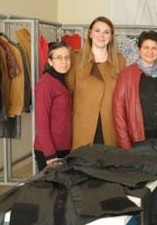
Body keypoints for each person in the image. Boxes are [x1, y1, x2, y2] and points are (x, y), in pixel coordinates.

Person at [113, 30, 157, 225]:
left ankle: (154, 219)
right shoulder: (127, 74)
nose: (150, 51)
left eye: (154, 48)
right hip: (138, 141)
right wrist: (125, 143)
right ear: (139, 49)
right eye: (146, 47)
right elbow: (118, 110)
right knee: (141, 184)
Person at [66, 16, 126, 149]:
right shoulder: (75, 60)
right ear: (90, 34)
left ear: (111, 37)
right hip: (83, 128)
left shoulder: (120, 61)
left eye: (106, 32)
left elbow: (124, 98)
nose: (101, 35)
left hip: (110, 128)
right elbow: (67, 95)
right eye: (97, 30)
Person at [34, 41, 73, 171]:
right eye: (59, 58)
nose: (64, 62)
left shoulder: (63, 80)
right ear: (50, 61)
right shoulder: (45, 84)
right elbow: (41, 122)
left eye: (67, 57)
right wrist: (50, 155)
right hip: (49, 151)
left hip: (64, 147)